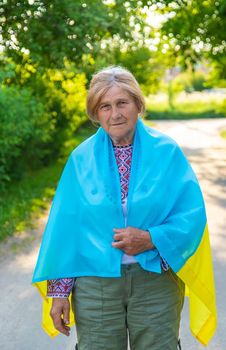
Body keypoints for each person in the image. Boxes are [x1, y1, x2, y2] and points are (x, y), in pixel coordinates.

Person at [32, 66, 217, 349]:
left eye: (122, 103)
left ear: (138, 105)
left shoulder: (167, 152)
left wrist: (151, 238)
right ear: (96, 113)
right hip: (95, 285)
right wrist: (59, 294)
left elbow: (191, 217)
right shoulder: (80, 160)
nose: (115, 114)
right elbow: (66, 231)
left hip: (154, 280)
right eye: (105, 106)